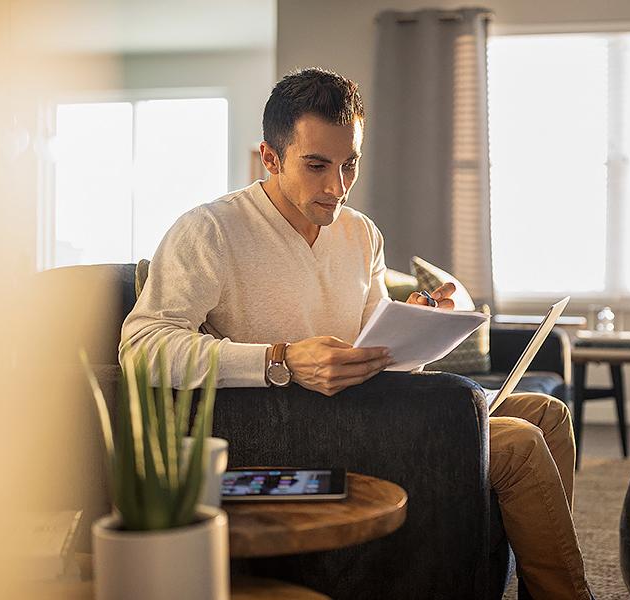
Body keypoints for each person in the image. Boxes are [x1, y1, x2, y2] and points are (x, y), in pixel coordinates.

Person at [121, 68, 594, 600]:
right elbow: (143, 347)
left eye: (350, 165)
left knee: (547, 414)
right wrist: (280, 359)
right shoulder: (210, 230)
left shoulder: (361, 232)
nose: (337, 187)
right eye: (317, 165)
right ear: (270, 159)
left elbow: (378, 339)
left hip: (368, 411)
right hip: (291, 428)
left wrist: (418, 322)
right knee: (518, 444)